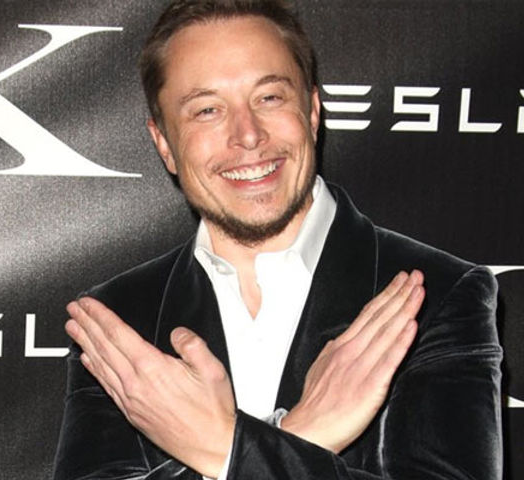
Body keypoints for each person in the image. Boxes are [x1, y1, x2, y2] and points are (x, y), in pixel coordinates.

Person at [53, 1, 503, 478]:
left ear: (312, 110)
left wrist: (220, 448)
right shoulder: (119, 318)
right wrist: (299, 436)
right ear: (164, 142)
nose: (247, 135)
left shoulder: (438, 294)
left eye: (269, 98)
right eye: (207, 110)